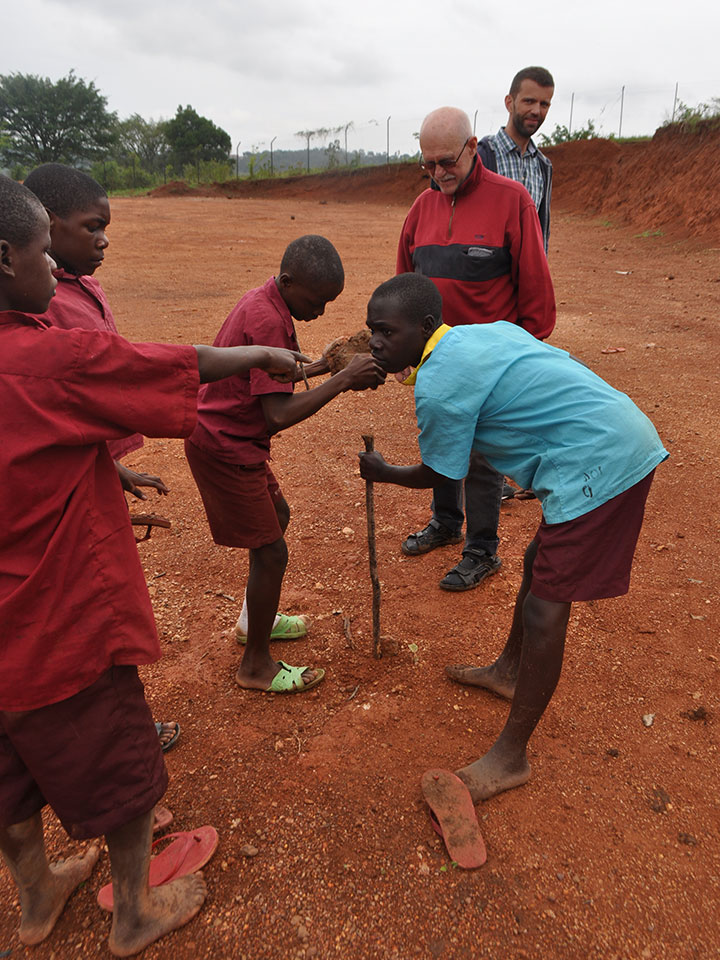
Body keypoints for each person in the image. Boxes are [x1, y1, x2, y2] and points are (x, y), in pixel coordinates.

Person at [0, 173, 308, 954]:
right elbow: (156, 365)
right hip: (57, 621)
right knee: (120, 767)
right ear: (7, 258)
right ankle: (135, 910)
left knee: (7, 780)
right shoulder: (41, 359)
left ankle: (37, 899)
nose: (57, 272)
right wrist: (258, 355)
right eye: (43, 254)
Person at [359, 273, 667, 802]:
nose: (376, 343)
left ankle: (511, 754)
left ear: (426, 327)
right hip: (609, 434)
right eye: (371, 332)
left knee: (548, 607)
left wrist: (383, 471)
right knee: (534, 559)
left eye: (387, 332)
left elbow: (442, 473)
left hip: (601, 462)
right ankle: (507, 671)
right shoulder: (475, 336)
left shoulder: (439, 387)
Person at [185, 235, 386, 694]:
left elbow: (268, 379)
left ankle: (251, 622)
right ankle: (254, 665)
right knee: (272, 550)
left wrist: (319, 369)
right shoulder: (268, 319)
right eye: (316, 301)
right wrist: (342, 380)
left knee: (277, 517)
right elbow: (275, 414)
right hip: (224, 445)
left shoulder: (268, 301)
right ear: (290, 281)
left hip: (232, 438)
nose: (319, 312)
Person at [24, 163, 178, 753]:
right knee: (96, 623)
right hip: (64, 513)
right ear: (47, 226)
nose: (104, 239)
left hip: (88, 481)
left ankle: (122, 736)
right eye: (93, 227)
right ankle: (121, 748)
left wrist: (111, 470)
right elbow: (97, 390)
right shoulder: (46, 307)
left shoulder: (78, 287)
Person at [397, 106, 555, 592]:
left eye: (447, 161)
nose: (438, 173)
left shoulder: (513, 201)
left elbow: (535, 291)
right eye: (428, 164)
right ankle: (446, 522)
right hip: (436, 359)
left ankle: (482, 549)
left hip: (490, 366)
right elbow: (405, 284)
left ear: (472, 148)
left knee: (482, 459)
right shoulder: (421, 209)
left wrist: (520, 360)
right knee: (441, 441)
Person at [477, 66, 555, 253]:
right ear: (509, 103)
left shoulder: (543, 166)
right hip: (486, 276)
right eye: (529, 101)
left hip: (525, 276)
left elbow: (541, 231)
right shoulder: (481, 157)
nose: (536, 111)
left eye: (544, 104)